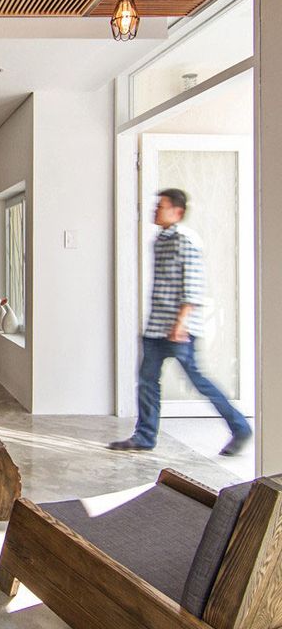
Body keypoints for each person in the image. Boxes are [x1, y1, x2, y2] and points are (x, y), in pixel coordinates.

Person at [109, 188, 252, 456]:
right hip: (156, 328)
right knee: (147, 381)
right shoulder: (160, 240)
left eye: (160, 206)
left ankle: (240, 428)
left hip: (178, 330)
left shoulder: (185, 241)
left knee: (198, 381)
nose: (155, 210)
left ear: (177, 212)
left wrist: (180, 323)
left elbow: (193, 285)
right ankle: (144, 436)